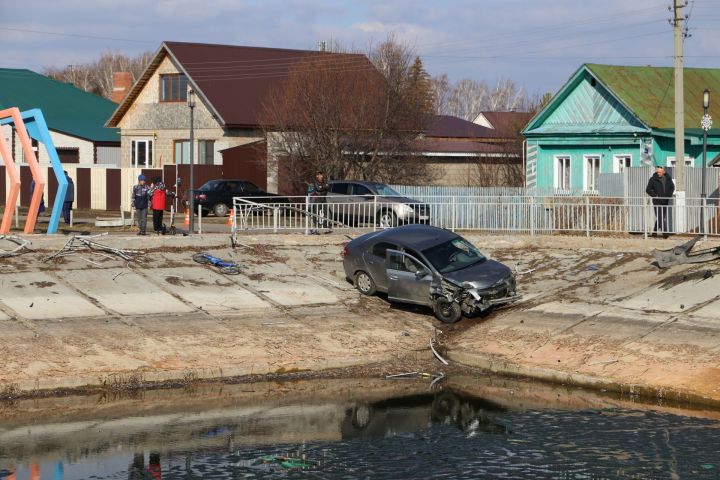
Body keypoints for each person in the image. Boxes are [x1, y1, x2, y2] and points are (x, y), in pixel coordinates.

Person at [645, 165, 675, 238]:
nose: (658, 173)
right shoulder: (653, 179)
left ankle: (654, 232)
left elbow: (672, 187)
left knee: (660, 217)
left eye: (660, 172)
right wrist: (655, 195)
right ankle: (665, 233)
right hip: (657, 201)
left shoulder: (668, 178)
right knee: (660, 217)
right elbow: (648, 189)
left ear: (664, 172)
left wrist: (668, 196)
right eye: (657, 172)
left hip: (665, 201)